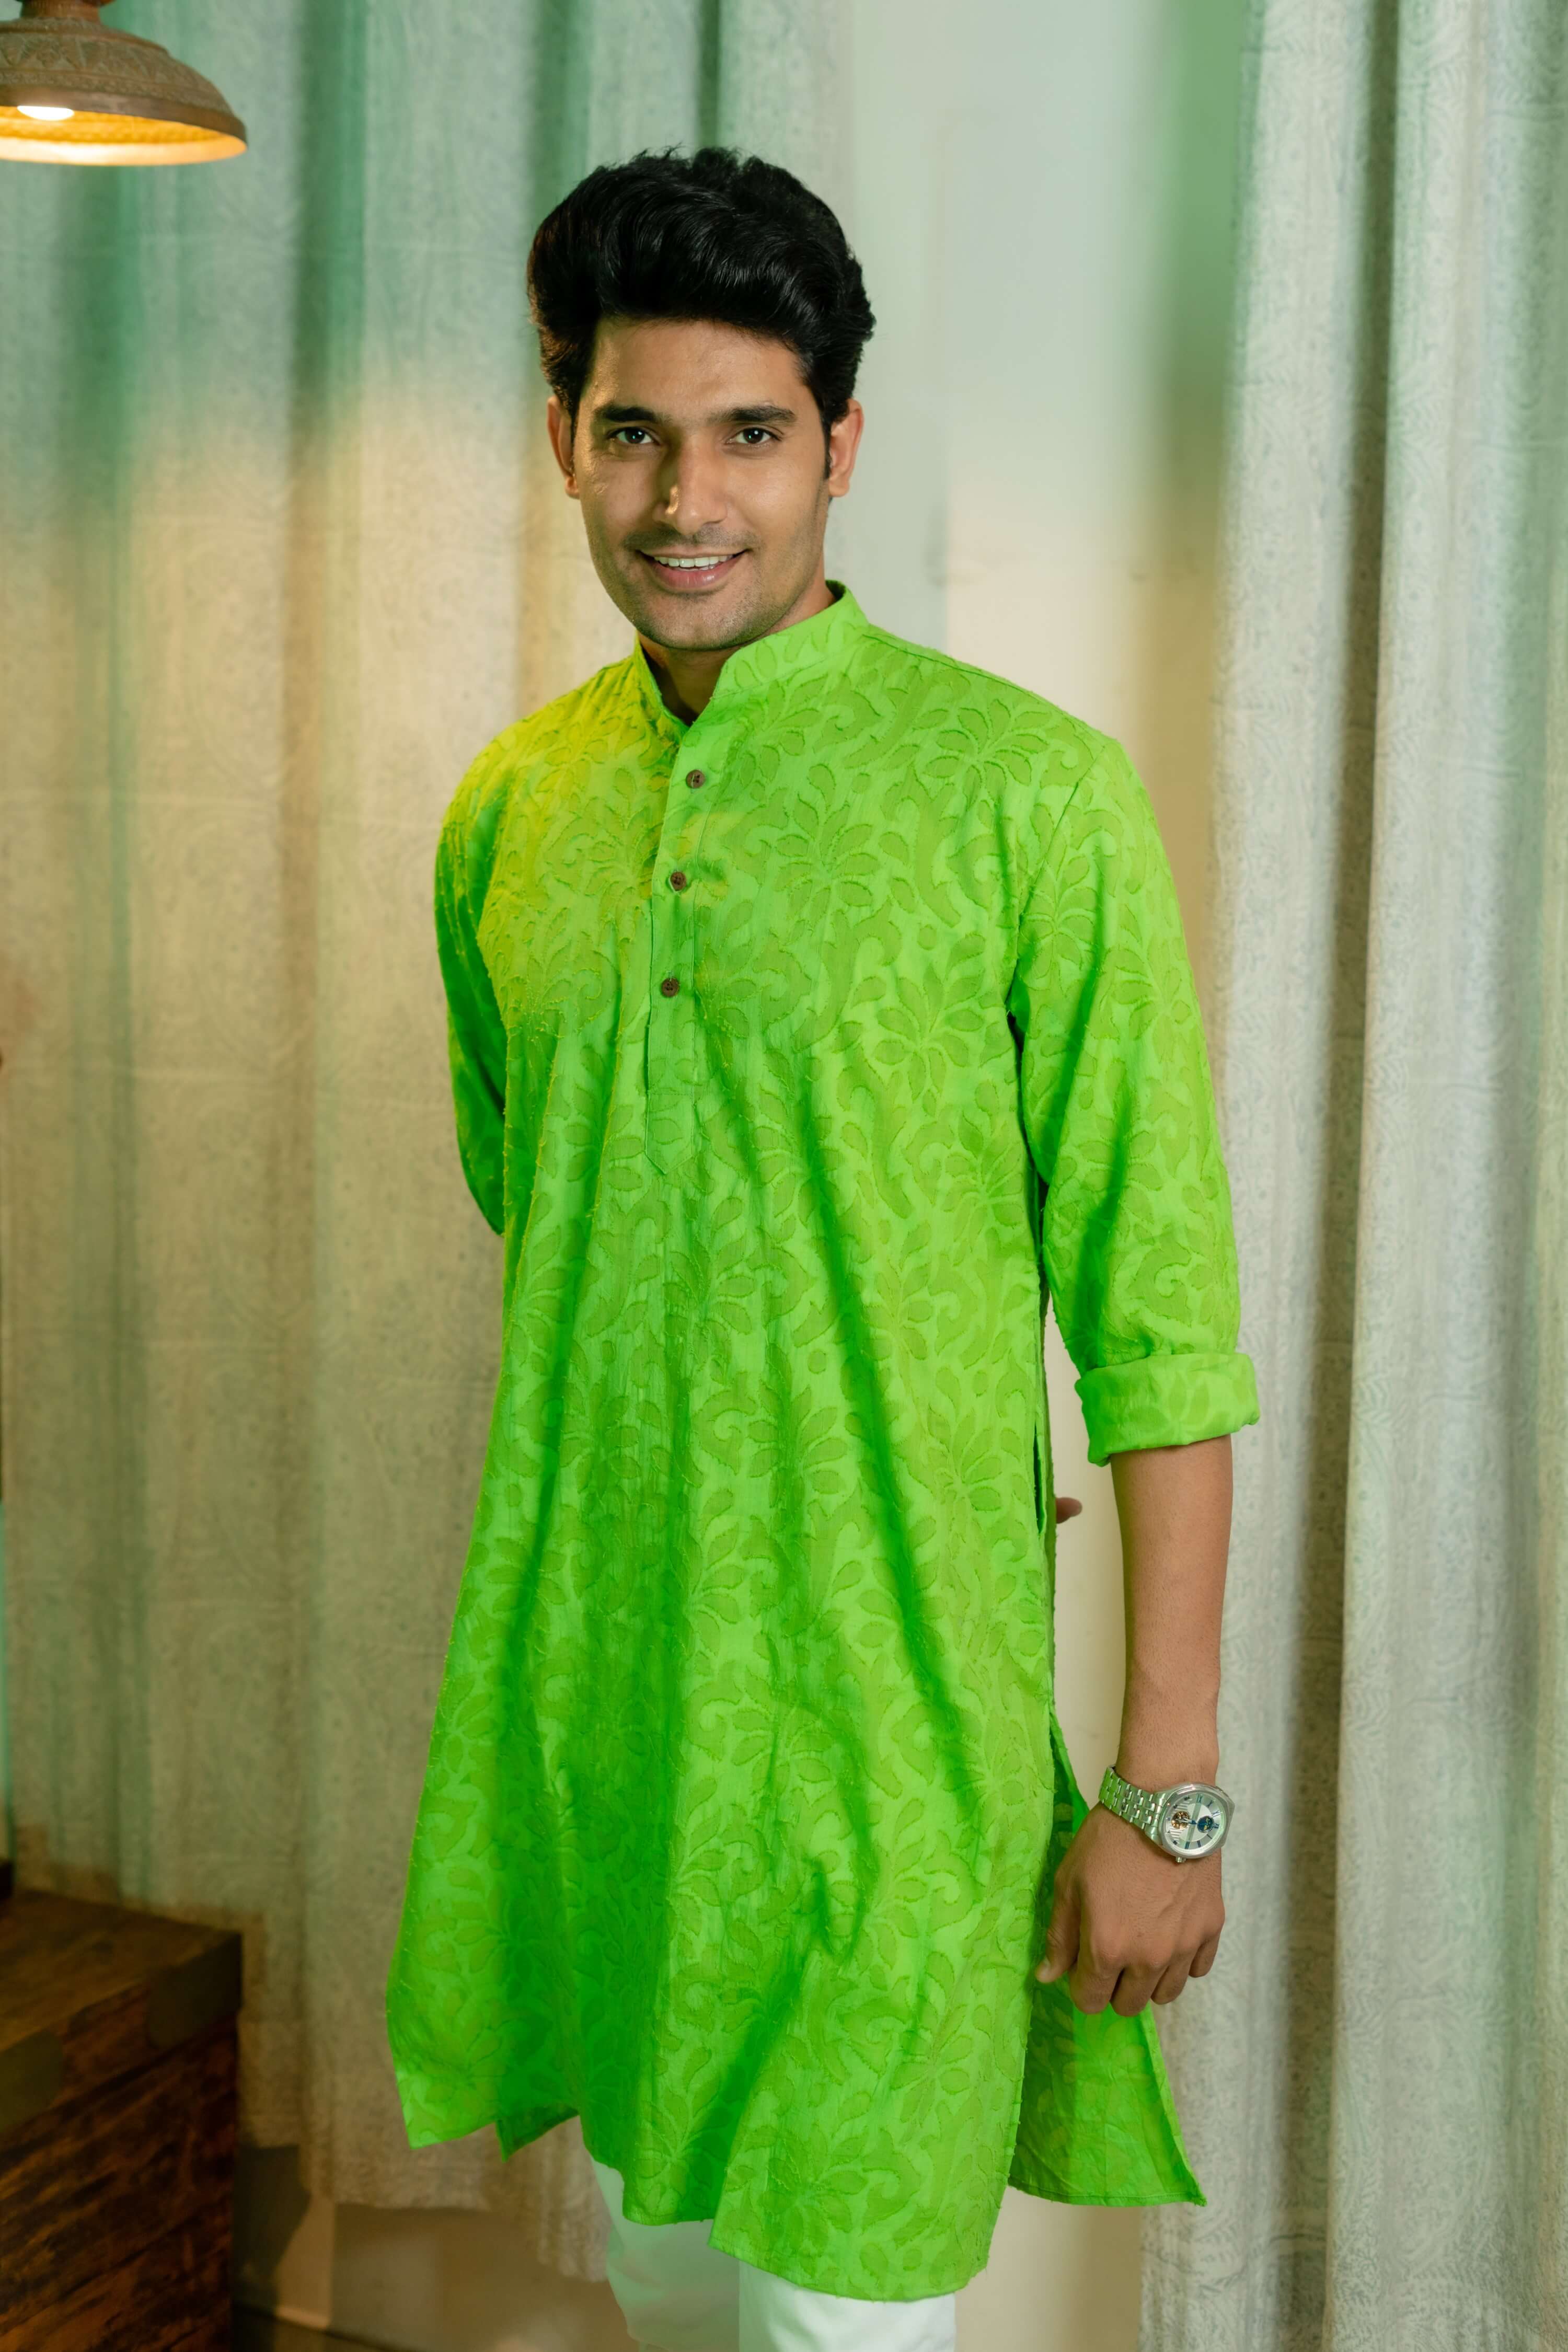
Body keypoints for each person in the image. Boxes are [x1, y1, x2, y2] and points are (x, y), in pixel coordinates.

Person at [386, 146, 1258, 2352]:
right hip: (602, 1737)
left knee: (840, 2319)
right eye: (634, 431)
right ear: (563, 437)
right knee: (672, 2296)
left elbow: (1160, 1331)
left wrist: (1166, 1793)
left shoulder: (1027, 804)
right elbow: (557, 1224)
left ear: (840, 449)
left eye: (753, 433)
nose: (690, 497)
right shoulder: (515, 811)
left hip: (893, 1751)